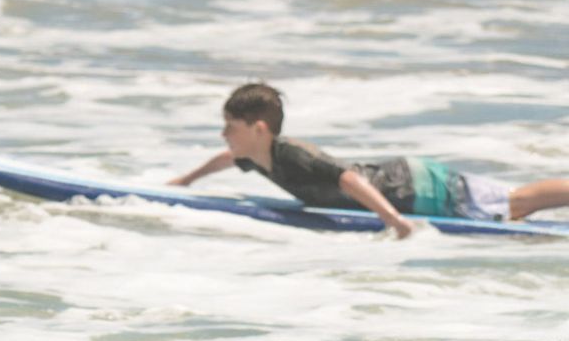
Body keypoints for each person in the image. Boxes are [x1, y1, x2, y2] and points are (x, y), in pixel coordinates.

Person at [169, 82, 569, 239]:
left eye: (231, 126)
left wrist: (393, 221)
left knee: (517, 202)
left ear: (258, 128)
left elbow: (347, 179)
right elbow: (224, 159)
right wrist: (186, 181)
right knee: (513, 206)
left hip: (413, 186)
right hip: (408, 185)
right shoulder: (255, 156)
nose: (224, 135)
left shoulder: (291, 154)